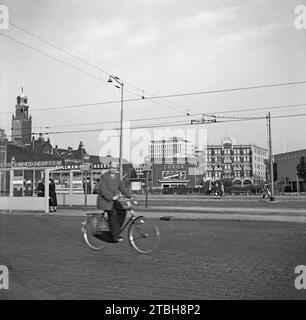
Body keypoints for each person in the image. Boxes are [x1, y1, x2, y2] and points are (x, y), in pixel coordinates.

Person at [97, 161, 131, 242]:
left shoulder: (117, 176)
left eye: (115, 168)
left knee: (123, 211)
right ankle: (115, 236)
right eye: (112, 167)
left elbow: (121, 187)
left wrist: (129, 195)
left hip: (113, 200)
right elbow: (102, 190)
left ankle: (115, 229)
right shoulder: (104, 176)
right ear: (109, 167)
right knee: (113, 214)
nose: (113, 169)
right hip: (105, 200)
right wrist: (111, 197)